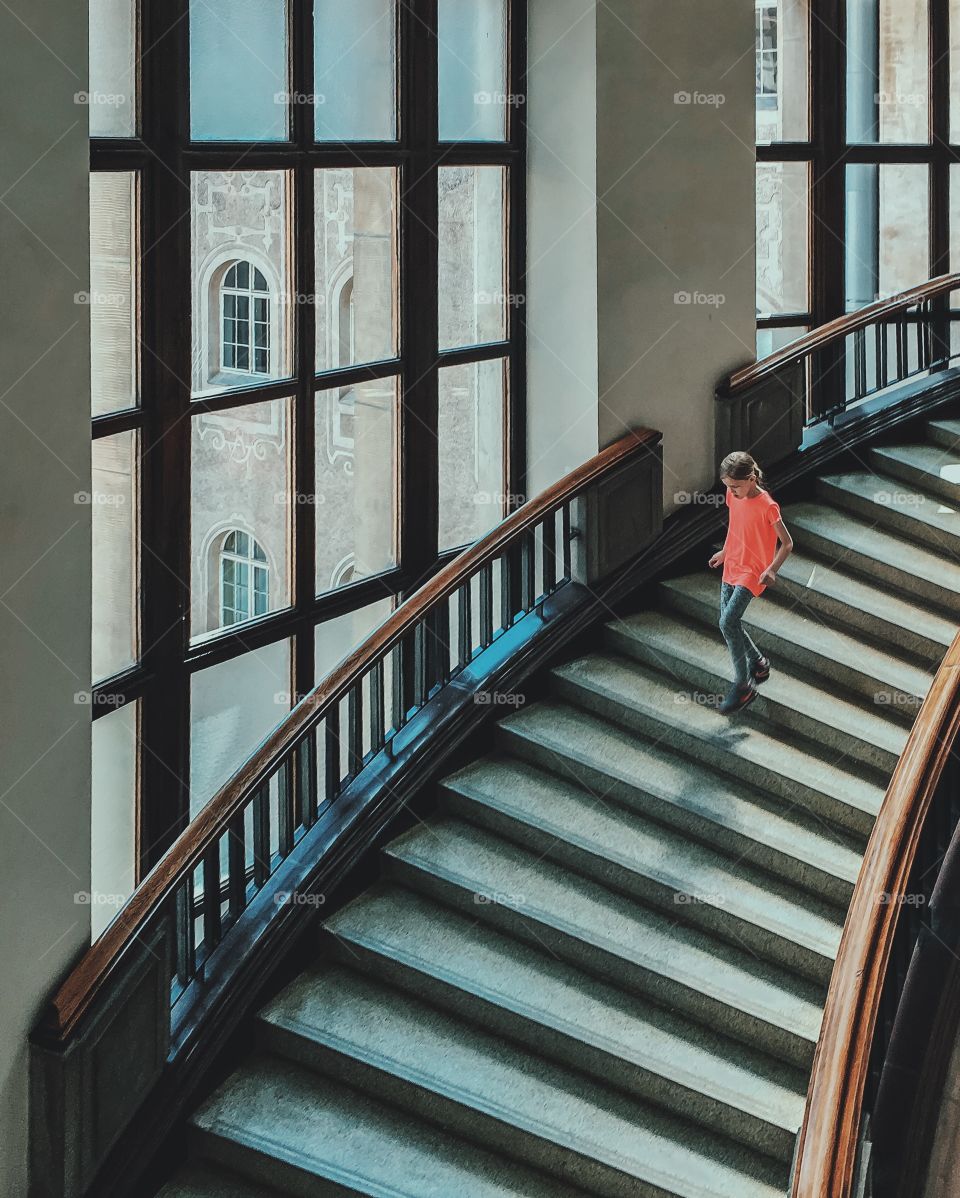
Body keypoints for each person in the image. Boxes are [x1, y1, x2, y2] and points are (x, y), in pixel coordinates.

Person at [708, 450, 794, 715]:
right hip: (733, 563)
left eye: (735, 486)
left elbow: (788, 543)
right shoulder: (734, 496)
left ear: (752, 477)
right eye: (727, 487)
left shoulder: (767, 505)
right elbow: (735, 527)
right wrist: (724, 551)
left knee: (727, 622)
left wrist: (772, 570)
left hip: (753, 570)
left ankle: (743, 685)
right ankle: (759, 662)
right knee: (729, 623)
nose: (731, 491)